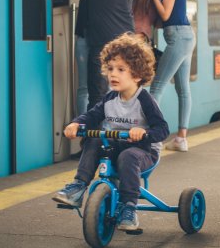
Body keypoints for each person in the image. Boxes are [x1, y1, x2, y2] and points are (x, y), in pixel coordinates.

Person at [52, 34, 169, 231]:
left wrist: (144, 132)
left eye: (121, 70)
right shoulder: (110, 98)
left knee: (128, 155)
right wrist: (76, 124)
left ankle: (129, 207)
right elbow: (91, 116)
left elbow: (163, 129)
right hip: (116, 146)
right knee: (94, 140)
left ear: (137, 75)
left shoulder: (145, 101)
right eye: (110, 69)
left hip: (144, 151)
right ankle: (78, 187)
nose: (113, 74)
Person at [74, 0, 139, 117]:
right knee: (110, 88)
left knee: (98, 91)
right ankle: (107, 135)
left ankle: (93, 139)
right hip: (118, 36)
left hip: (101, 38)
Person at [146, 0, 196, 152]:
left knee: (156, 87)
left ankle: (153, 138)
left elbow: (166, 14)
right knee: (182, 88)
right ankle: (181, 139)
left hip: (178, 36)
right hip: (182, 35)